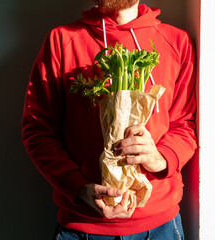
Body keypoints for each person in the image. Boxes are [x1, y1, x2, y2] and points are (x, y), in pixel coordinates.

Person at [22, 0, 197, 239]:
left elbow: (184, 123)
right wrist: (78, 187)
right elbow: (37, 129)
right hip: (81, 225)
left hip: (159, 226)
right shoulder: (62, 40)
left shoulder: (177, 41)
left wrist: (162, 158)